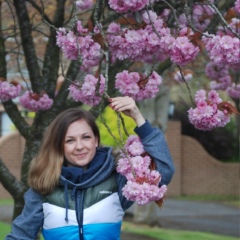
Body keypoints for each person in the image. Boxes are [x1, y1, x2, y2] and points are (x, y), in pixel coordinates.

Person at [5, 96, 175, 240]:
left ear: (95, 140)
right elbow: (20, 236)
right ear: (59, 145)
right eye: (70, 140)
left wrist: (138, 118)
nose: (79, 146)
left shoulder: (117, 179)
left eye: (86, 137)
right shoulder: (43, 186)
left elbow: (164, 171)